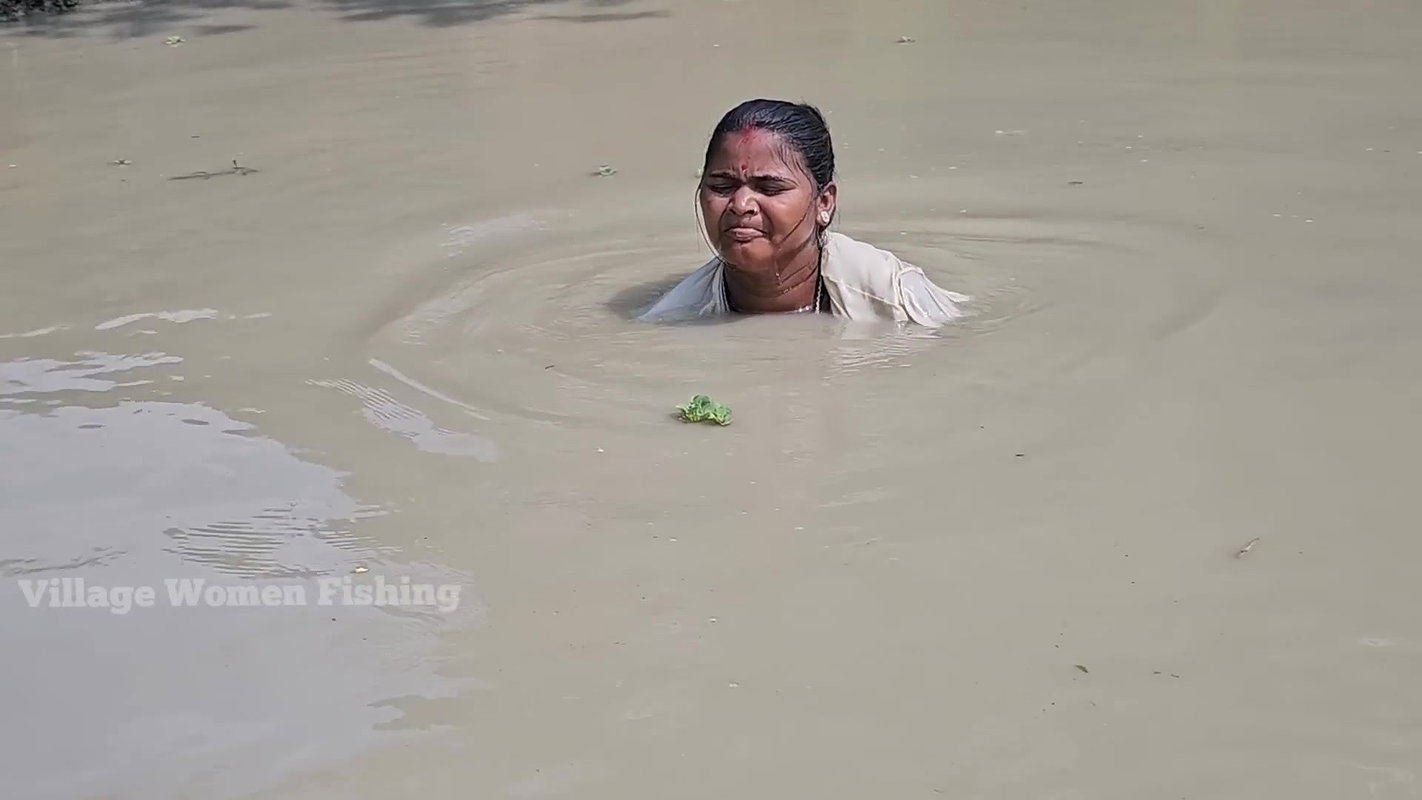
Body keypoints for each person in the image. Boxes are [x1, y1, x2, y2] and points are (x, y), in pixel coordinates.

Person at [637, 98, 968, 326]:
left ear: (824, 203)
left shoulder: (896, 298)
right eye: (722, 187)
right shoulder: (678, 317)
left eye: (769, 188)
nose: (740, 205)